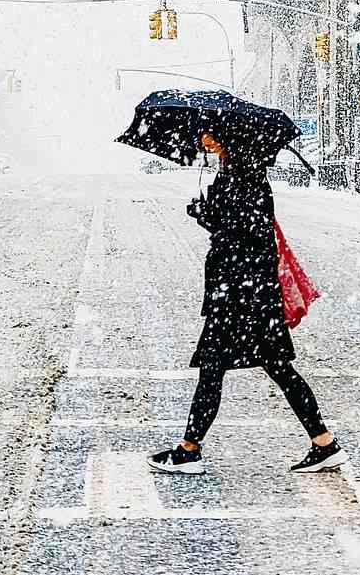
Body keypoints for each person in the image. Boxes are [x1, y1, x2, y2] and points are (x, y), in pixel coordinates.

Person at [148, 130, 347, 475]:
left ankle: (189, 449)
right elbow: (238, 227)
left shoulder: (244, 175)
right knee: (276, 368)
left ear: (228, 138)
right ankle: (323, 441)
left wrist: (209, 217)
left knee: (215, 368)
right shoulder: (236, 172)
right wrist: (208, 213)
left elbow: (249, 233)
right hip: (248, 293)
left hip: (242, 295)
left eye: (208, 134)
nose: (203, 140)